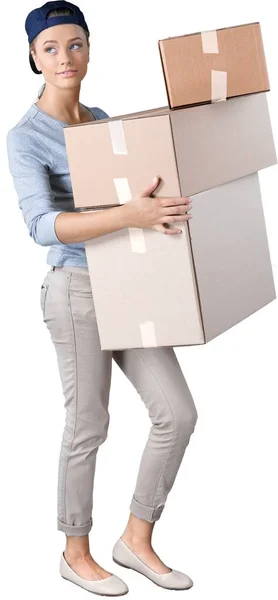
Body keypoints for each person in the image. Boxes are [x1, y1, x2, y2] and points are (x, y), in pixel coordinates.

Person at [6, 1, 197, 595]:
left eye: (76, 44)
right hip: (76, 290)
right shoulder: (24, 137)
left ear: (90, 49)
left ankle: (135, 539)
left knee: (177, 413)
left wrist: (154, 214)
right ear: (33, 58)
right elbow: (43, 227)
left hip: (127, 282)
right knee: (89, 422)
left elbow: (133, 201)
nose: (66, 58)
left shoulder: (104, 121)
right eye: (51, 48)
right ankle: (74, 550)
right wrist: (129, 213)